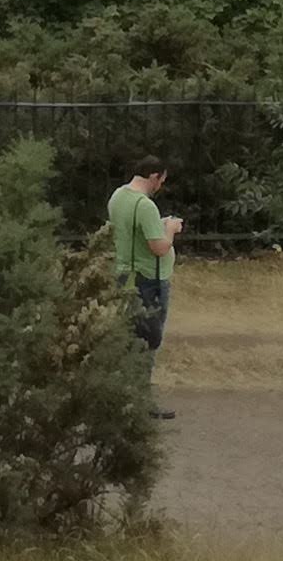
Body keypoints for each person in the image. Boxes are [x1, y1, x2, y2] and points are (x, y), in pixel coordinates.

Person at [107, 159, 183, 419]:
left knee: (129, 336)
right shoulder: (145, 205)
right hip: (148, 279)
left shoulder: (118, 197)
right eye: (161, 180)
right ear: (153, 176)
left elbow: (131, 231)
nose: (161, 185)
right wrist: (170, 230)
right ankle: (141, 401)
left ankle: (122, 394)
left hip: (124, 275)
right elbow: (159, 247)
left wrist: (157, 225)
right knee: (148, 339)